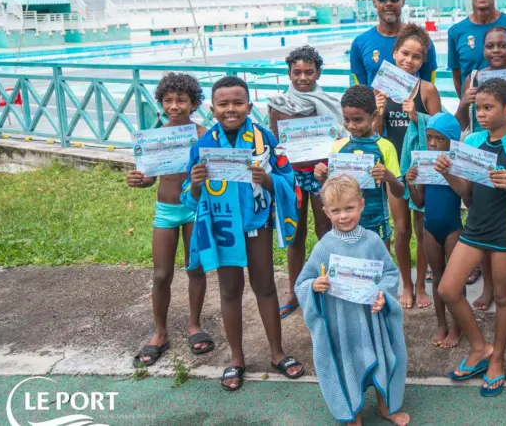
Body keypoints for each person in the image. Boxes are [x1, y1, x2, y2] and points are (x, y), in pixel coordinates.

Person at [182, 76, 304, 391]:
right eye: (223, 104)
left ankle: (277, 353)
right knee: (229, 291)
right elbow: (189, 196)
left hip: (256, 225)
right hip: (223, 227)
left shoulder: (264, 139)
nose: (231, 109)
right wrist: (196, 182)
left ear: (249, 106)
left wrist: (266, 181)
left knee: (265, 288)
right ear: (212, 109)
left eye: (238, 103)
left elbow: (287, 179)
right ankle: (236, 358)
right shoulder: (204, 144)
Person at [435, 78, 506, 398]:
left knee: (504, 298)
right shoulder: (473, 140)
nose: (480, 113)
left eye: (488, 107)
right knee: (447, 290)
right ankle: (480, 348)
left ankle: (498, 358)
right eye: (477, 107)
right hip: (476, 228)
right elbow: (468, 194)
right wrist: (448, 174)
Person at [294, 176, 409, 426]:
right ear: (325, 212)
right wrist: (315, 286)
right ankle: (352, 415)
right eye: (336, 211)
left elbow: (389, 273)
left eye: (349, 208)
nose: (344, 216)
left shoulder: (372, 241)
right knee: (348, 365)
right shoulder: (324, 247)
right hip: (341, 325)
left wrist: (383, 296)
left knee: (382, 358)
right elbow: (303, 282)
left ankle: (385, 406)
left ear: (361, 204)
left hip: (372, 319)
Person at [127, 73, 212, 367]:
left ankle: (195, 324)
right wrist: (140, 180)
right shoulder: (155, 137)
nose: (174, 106)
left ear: (194, 103)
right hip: (166, 208)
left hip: (195, 207)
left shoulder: (204, 135)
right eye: (168, 100)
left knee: (195, 268)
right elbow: (150, 177)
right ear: (161, 103)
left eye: (181, 100)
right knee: (161, 274)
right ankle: (160, 331)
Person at [456, 25, 506, 311]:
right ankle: (489, 287)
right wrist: (465, 101)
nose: (496, 51)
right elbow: (463, 121)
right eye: (490, 46)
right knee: (486, 219)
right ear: (483, 49)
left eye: (502, 45)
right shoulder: (474, 79)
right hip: (484, 151)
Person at [267, 45, 347, 320]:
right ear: (288, 73)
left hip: (321, 175)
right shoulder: (278, 106)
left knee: (325, 233)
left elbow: (338, 137)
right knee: (295, 235)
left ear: (318, 73)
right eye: (297, 72)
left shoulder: (328, 104)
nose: (303, 77)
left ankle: (329, 286)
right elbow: (276, 144)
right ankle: (294, 291)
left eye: (309, 72)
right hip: (292, 177)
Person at [374, 24, 443, 310]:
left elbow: (442, 133)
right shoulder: (380, 88)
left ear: (423, 61)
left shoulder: (427, 90)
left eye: (416, 57)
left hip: (419, 168)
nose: (409, 61)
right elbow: (375, 133)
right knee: (401, 229)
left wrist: (417, 118)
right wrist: (378, 111)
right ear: (394, 52)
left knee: (421, 227)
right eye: (405, 53)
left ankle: (420, 285)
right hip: (394, 167)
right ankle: (405, 282)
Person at [405, 112, 467, 349]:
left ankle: (458, 325)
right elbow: (419, 202)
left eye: (439, 139)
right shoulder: (424, 162)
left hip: (453, 227)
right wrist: (410, 183)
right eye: (429, 138)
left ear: (452, 141)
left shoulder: (457, 164)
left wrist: (448, 173)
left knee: (455, 279)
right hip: (430, 226)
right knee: (438, 276)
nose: (432, 144)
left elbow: (467, 196)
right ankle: (441, 323)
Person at [313, 86, 404, 246]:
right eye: (346, 119)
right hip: (344, 224)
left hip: (376, 224)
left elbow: (399, 191)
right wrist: (322, 178)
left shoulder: (385, 147)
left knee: (378, 265)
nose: (351, 126)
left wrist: (389, 177)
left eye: (358, 120)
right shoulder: (338, 147)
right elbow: (331, 192)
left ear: (374, 116)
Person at [349, 0, 438, 85]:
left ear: (403, 1)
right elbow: (361, 92)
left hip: (412, 102)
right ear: (374, 2)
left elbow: (428, 87)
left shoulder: (421, 40)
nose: (388, 3)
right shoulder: (360, 43)